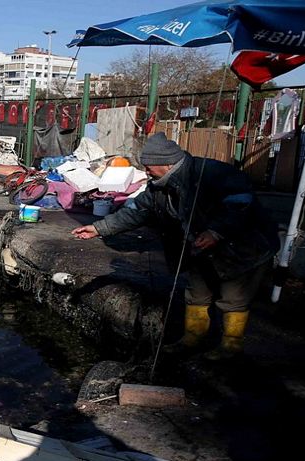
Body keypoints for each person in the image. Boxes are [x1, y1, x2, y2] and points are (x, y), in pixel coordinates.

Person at [71, 132, 279, 359]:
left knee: (233, 297)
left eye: (149, 167)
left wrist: (217, 231)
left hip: (242, 248)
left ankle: (230, 346)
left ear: (167, 164)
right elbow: (136, 212)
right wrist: (99, 228)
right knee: (196, 292)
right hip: (200, 247)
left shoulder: (214, 173)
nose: (146, 172)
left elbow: (240, 205)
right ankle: (192, 338)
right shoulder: (158, 187)